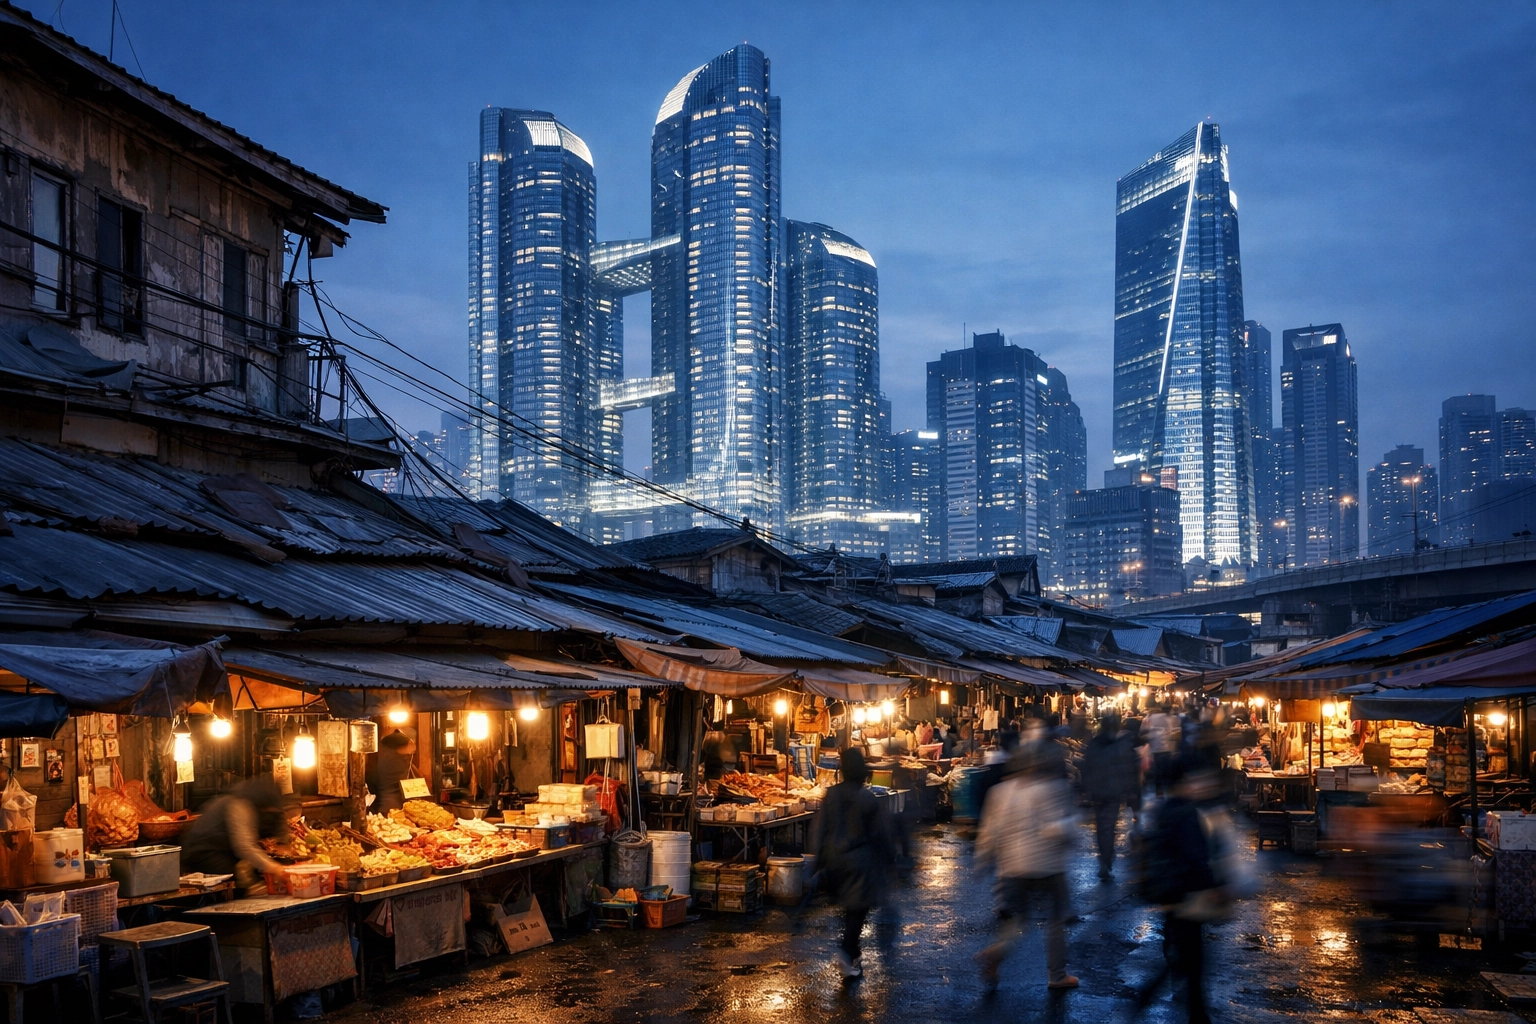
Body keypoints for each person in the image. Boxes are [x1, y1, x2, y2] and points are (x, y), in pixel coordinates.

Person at [974, 740, 1079, 993]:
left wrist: (983, 860)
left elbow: (989, 832)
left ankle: (996, 952)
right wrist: (1070, 832)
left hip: (1011, 867)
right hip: (1048, 866)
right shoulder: (1052, 788)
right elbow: (1059, 828)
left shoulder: (999, 792)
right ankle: (1057, 975)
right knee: (1056, 920)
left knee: (1016, 922)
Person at [1129, 759, 1228, 1024]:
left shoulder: (1163, 808)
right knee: (1192, 958)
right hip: (1187, 893)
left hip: (1169, 893)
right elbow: (1196, 855)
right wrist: (1213, 885)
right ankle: (1192, 1013)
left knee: (1181, 953)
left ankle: (1185, 1008)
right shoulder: (1187, 812)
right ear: (1183, 782)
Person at [811, 747, 896, 979]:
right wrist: (890, 859)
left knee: (848, 907)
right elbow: (880, 833)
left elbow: (819, 829)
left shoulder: (831, 794)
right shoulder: (867, 797)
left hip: (834, 859)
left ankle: (853, 949)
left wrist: (818, 860)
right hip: (859, 861)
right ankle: (846, 954)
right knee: (858, 909)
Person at [179, 778, 291, 892]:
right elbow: (244, 846)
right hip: (202, 852)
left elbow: (281, 834)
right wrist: (273, 867)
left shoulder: (267, 807)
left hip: (225, 851)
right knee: (239, 884)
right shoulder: (239, 805)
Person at [1080, 712, 1134, 880]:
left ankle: (1105, 859)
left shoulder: (1094, 744)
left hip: (1097, 792)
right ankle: (1106, 860)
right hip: (1113, 793)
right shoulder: (1120, 745)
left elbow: (1086, 767)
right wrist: (1129, 790)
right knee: (1108, 828)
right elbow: (1127, 770)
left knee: (1101, 826)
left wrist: (1086, 789)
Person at [368, 728, 416, 814]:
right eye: (409, 745)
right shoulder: (392, 762)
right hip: (390, 805)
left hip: (386, 803)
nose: (412, 751)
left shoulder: (384, 757)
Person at [1143, 705, 1178, 796]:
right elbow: (1171, 732)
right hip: (1166, 748)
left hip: (1156, 749)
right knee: (1167, 770)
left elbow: (1145, 732)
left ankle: (1159, 791)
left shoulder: (1150, 719)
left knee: (1158, 771)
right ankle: (1169, 790)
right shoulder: (1167, 718)